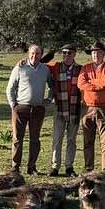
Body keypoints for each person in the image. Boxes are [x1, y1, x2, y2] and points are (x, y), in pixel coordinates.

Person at [5, 44, 53, 174]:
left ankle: (32, 167)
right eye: (32, 53)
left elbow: (52, 86)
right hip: (21, 107)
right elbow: (10, 88)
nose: (34, 56)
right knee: (17, 139)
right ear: (28, 53)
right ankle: (15, 167)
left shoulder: (45, 70)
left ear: (41, 54)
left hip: (38, 108)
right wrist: (13, 104)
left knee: (35, 139)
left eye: (37, 53)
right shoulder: (20, 68)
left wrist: (48, 100)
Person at [77, 41, 105, 175]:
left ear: (103, 54)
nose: (96, 55)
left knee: (104, 141)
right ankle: (89, 169)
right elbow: (81, 84)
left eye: (99, 52)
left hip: (104, 108)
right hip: (87, 108)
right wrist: (97, 85)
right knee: (87, 140)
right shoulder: (85, 68)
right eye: (93, 53)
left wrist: (92, 84)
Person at [47, 44, 82, 177]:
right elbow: (39, 63)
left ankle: (69, 166)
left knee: (71, 139)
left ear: (74, 55)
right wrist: (23, 61)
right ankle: (55, 166)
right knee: (57, 138)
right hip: (60, 107)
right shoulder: (55, 67)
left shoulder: (80, 69)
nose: (67, 56)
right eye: (64, 53)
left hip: (74, 107)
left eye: (70, 53)